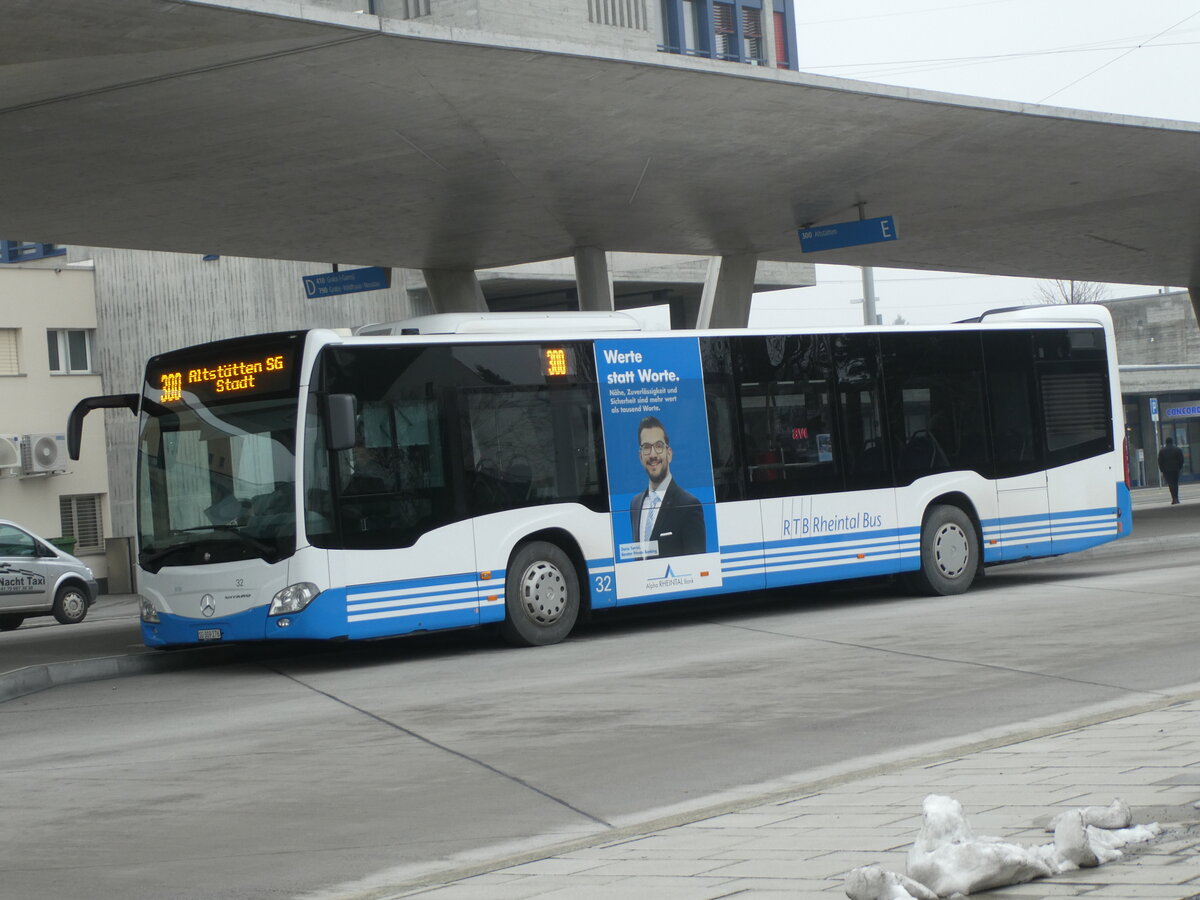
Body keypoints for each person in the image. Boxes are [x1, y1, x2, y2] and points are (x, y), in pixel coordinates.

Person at [629, 416, 705, 559]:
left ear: (669, 453)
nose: (652, 455)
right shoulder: (635, 504)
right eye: (646, 447)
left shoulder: (689, 505)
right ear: (640, 457)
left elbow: (697, 562)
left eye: (658, 446)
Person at [1157, 437, 1185, 505]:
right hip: (1176, 469)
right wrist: (1179, 467)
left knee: (1170, 484)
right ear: (1172, 442)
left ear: (1166, 442)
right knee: (1175, 483)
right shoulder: (1178, 450)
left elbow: (1160, 461)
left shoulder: (1162, 451)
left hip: (1167, 470)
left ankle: (1174, 498)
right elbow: (1181, 460)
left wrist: (1162, 469)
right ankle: (1176, 498)